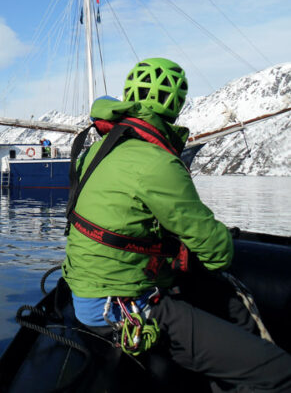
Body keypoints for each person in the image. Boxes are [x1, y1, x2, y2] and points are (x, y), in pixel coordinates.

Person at [62, 58, 291, 391]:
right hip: (122, 307)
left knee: (226, 308)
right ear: (176, 106)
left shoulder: (98, 149)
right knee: (280, 372)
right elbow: (218, 254)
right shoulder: (157, 162)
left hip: (87, 293)